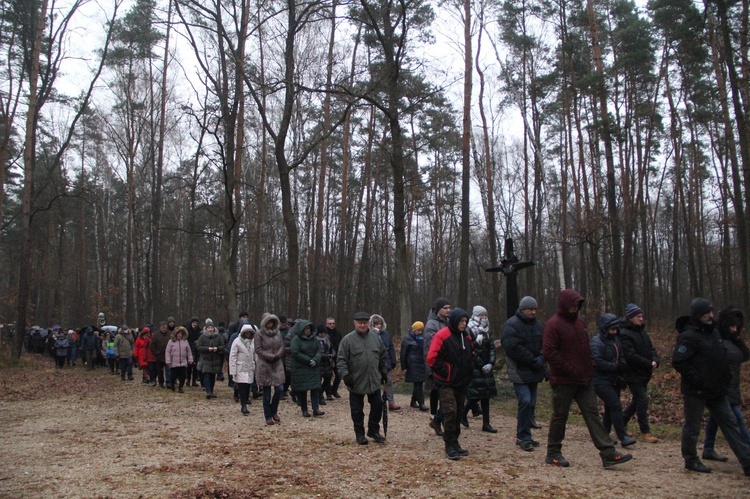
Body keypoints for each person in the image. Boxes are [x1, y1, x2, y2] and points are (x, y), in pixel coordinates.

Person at [542, 289, 632, 468]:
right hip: (563, 380)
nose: (575, 308)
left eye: (578, 304)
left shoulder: (580, 324)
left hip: (585, 379)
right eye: (573, 304)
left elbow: (586, 348)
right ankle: (553, 452)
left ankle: (607, 452)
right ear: (564, 305)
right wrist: (570, 369)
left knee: (593, 415)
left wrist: (589, 366)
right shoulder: (553, 325)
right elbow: (550, 352)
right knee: (560, 416)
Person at [673, 298, 750, 475]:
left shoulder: (714, 332)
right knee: (692, 427)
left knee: (731, 423)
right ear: (698, 314)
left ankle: (746, 461)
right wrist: (698, 379)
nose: (710, 315)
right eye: (706, 313)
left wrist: (725, 377)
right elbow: (679, 362)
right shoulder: (688, 336)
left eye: (711, 312)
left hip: (717, 390)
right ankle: (691, 460)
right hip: (696, 391)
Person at [702, 307, 750, 462]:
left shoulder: (732, 341)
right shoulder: (716, 339)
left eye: (737, 327)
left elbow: (745, 356)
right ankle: (747, 451)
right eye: (732, 326)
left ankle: (708, 448)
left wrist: (737, 339)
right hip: (722, 387)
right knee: (737, 419)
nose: (735, 330)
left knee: (715, 418)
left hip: (732, 386)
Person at [426, 308, 474, 460]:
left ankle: (455, 442)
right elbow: (432, 358)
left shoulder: (466, 336)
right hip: (446, 382)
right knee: (450, 411)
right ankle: (449, 444)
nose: (464, 324)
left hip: (461, 382)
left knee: (459, 412)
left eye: (465, 321)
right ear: (454, 321)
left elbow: (471, 354)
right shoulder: (442, 335)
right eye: (461, 321)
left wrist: (470, 369)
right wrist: (446, 371)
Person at [502, 296, 546, 451]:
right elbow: (513, 348)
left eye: (534, 309)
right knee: (525, 401)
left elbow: (544, 344)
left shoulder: (539, 325)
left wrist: (541, 358)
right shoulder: (511, 325)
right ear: (522, 309)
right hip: (519, 370)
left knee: (531, 404)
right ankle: (523, 436)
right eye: (529, 309)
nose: (532, 312)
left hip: (534, 370)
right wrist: (533, 360)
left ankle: (526, 434)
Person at [337, 311, 388, 445]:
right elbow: (341, 360)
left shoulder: (376, 338)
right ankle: (359, 434)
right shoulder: (347, 340)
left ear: (368, 324)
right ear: (355, 323)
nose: (362, 325)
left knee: (378, 406)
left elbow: (382, 356)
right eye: (360, 322)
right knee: (357, 410)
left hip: (374, 380)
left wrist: (383, 372)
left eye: (365, 322)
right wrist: (345, 375)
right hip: (356, 381)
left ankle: (373, 430)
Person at [591, 313, 635, 448]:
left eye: (616, 329)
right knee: (615, 405)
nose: (614, 332)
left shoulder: (615, 341)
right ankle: (622, 436)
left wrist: (622, 367)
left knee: (610, 408)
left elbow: (621, 356)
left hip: (614, 379)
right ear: (605, 328)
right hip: (600, 380)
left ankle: (604, 435)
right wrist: (615, 367)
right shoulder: (596, 341)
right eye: (612, 329)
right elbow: (597, 361)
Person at [619, 303, 660, 444]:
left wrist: (655, 359)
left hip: (644, 373)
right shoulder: (624, 333)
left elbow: (650, 348)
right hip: (632, 373)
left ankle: (622, 422)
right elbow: (630, 355)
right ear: (630, 317)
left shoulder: (642, 331)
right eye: (638, 316)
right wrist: (648, 363)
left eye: (641, 316)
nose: (641, 318)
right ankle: (645, 431)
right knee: (642, 400)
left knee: (637, 400)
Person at [462, 305, 497, 433]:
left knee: (486, 396)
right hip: (475, 368)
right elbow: (471, 349)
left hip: (487, 367)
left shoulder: (488, 330)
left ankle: (486, 424)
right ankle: (463, 413)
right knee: (475, 395)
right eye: (481, 315)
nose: (484, 317)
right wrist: (481, 364)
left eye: (485, 315)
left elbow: (492, 347)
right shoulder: (469, 329)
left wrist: (491, 363)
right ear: (476, 315)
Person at [425, 297, 451, 436]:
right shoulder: (431, 325)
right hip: (437, 365)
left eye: (449, 307)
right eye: (445, 308)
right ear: (438, 309)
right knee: (443, 396)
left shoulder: (448, 322)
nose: (448, 310)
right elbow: (432, 347)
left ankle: (439, 421)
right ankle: (437, 420)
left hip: (448, 364)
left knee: (447, 397)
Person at [254, 314, 286, 425]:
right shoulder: (258, 334)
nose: (270, 324)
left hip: (277, 364)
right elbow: (258, 349)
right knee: (266, 392)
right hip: (265, 364)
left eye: (272, 322)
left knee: (280, 389)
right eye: (268, 322)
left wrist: (277, 355)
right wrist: (269, 356)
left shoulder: (278, 333)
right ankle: (268, 415)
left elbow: (282, 345)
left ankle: (274, 411)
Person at [291, 320, 325, 418]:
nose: (308, 330)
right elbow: (295, 352)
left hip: (313, 367)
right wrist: (308, 360)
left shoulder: (314, 339)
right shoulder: (296, 339)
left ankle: (316, 408)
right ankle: (304, 409)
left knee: (315, 388)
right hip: (301, 368)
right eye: (306, 328)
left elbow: (319, 350)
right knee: (302, 390)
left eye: (309, 328)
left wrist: (315, 359)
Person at [371, 314, 400, 411]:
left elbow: (391, 347)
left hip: (386, 362)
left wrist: (393, 360)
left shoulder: (386, 334)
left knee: (388, 382)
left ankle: (391, 402)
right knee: (375, 383)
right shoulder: (369, 335)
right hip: (374, 363)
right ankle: (377, 402)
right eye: (376, 324)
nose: (378, 326)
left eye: (380, 324)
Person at [229, 324, 257, 415]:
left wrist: (257, 363)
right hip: (240, 367)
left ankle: (245, 402)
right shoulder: (237, 341)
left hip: (249, 367)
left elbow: (255, 353)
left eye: (250, 332)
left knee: (248, 386)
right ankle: (243, 405)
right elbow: (232, 356)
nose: (248, 334)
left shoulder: (253, 342)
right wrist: (233, 370)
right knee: (243, 386)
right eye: (246, 332)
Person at [400, 321, 428, 411]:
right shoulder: (407, 339)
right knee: (418, 383)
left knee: (418, 383)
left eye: (421, 330)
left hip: (421, 363)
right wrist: (404, 366)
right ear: (414, 329)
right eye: (418, 330)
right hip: (412, 364)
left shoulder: (422, 339)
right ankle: (421, 403)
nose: (419, 332)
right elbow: (403, 353)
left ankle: (413, 401)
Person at [196, 319, 225, 399]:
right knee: (207, 374)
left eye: (211, 327)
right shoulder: (202, 337)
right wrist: (207, 349)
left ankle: (211, 391)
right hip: (206, 359)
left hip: (215, 359)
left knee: (213, 376)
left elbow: (222, 346)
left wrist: (217, 349)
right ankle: (208, 391)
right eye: (209, 328)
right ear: (206, 328)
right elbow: (198, 347)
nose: (210, 329)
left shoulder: (218, 336)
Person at [165, 326, 193, 393]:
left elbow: (189, 351)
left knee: (183, 376)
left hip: (183, 362)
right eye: (178, 333)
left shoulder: (185, 341)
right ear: (175, 334)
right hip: (174, 362)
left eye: (181, 333)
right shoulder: (171, 342)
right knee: (173, 376)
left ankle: (180, 387)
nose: (179, 335)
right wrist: (168, 360)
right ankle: (172, 385)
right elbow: (167, 352)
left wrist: (190, 359)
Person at [315, 325, 334, 402]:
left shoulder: (328, 339)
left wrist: (332, 354)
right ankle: (320, 396)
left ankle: (321, 393)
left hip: (327, 363)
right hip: (319, 363)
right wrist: (322, 356)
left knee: (327, 380)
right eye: (320, 333)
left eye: (323, 333)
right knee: (318, 381)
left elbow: (332, 348)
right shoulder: (315, 340)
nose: (322, 334)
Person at [149, 321, 171, 388]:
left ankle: (168, 382)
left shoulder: (170, 334)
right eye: (162, 327)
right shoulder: (156, 335)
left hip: (168, 356)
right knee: (159, 371)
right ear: (160, 327)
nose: (164, 328)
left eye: (165, 326)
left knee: (168, 370)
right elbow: (151, 346)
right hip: (159, 356)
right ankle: (161, 382)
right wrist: (156, 353)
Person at [326, 317, 343, 398]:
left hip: (337, 357)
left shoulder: (338, 334)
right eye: (330, 323)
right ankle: (328, 393)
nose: (332, 325)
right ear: (327, 324)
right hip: (327, 357)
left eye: (333, 323)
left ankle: (334, 389)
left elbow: (341, 344)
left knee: (339, 374)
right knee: (328, 376)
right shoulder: (324, 334)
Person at [186, 317, 202, 387]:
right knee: (189, 366)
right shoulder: (188, 330)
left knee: (195, 367)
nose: (195, 324)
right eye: (193, 323)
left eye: (196, 323)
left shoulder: (200, 331)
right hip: (189, 349)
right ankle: (188, 380)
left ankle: (194, 381)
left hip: (197, 350)